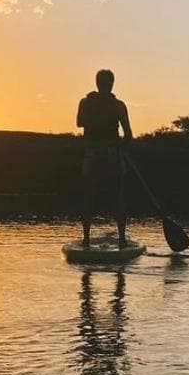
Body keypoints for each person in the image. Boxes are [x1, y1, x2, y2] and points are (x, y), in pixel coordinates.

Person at [76, 68, 133, 249]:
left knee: (90, 197)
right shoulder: (117, 105)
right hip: (109, 156)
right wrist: (122, 148)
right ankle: (121, 240)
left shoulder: (86, 103)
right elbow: (128, 134)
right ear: (111, 84)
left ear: (97, 83)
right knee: (116, 197)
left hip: (96, 157)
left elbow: (80, 122)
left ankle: (87, 239)